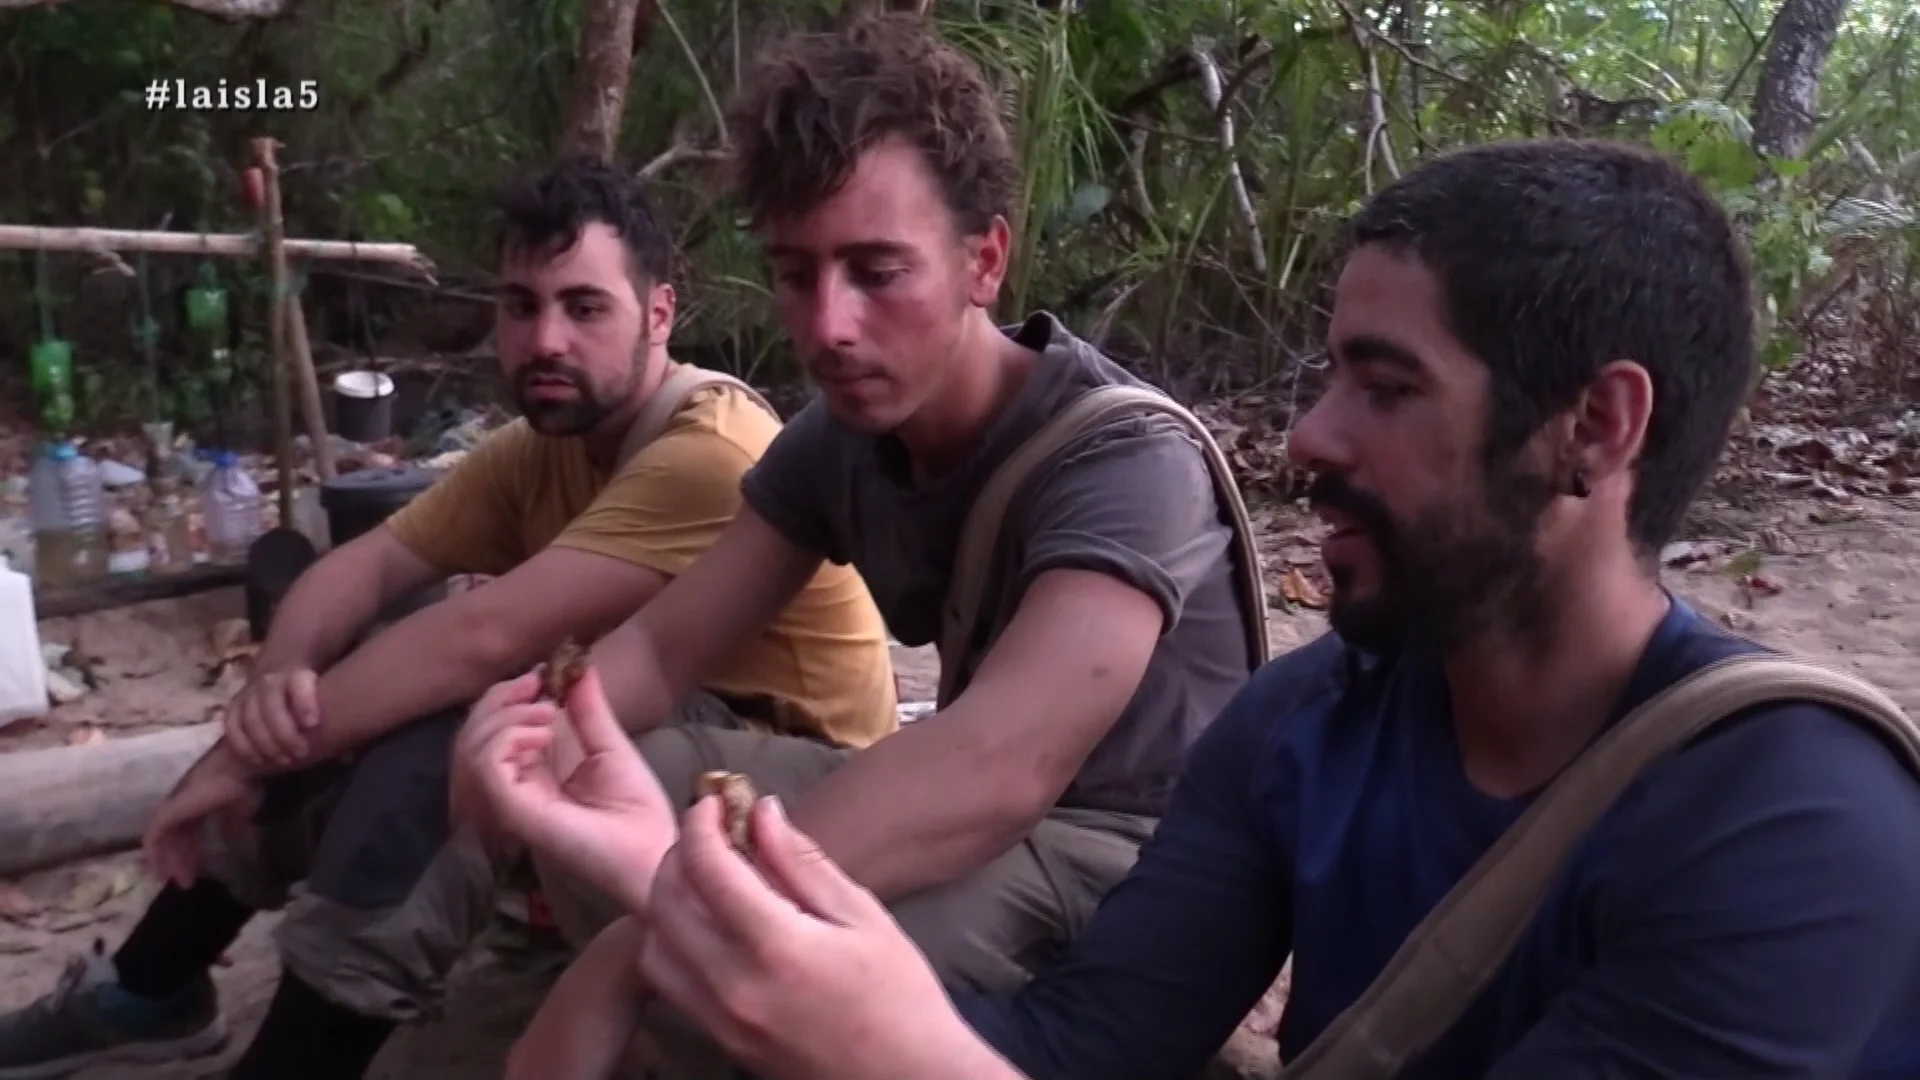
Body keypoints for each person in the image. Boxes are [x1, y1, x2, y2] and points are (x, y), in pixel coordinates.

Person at [469, 137, 1920, 1080]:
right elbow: (1083, 1046)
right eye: (1329, 374)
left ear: (1593, 430)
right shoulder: (1308, 720)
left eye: (1387, 386)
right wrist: (695, 899)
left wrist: (885, 1044)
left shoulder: (1799, 826)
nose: (1309, 440)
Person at [455, 13, 1267, 1079]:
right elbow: (659, 654)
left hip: (1126, 858)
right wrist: (531, 746)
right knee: (610, 779)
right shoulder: (839, 439)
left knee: (751, 975)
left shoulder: (1124, 461)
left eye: (877, 271)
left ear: (985, 260)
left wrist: (636, 943)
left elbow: (996, 769)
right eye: (798, 275)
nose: (829, 325)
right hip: (969, 801)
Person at [0, 156, 898, 1080]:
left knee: (471, 712)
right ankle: (152, 986)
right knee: (361, 679)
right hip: (655, 732)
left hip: (799, 787)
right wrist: (273, 690)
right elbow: (362, 566)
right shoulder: (536, 447)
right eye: (521, 305)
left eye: (584, 308)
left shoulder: (708, 451)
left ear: (658, 315)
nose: (546, 338)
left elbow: (485, 637)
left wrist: (240, 753)